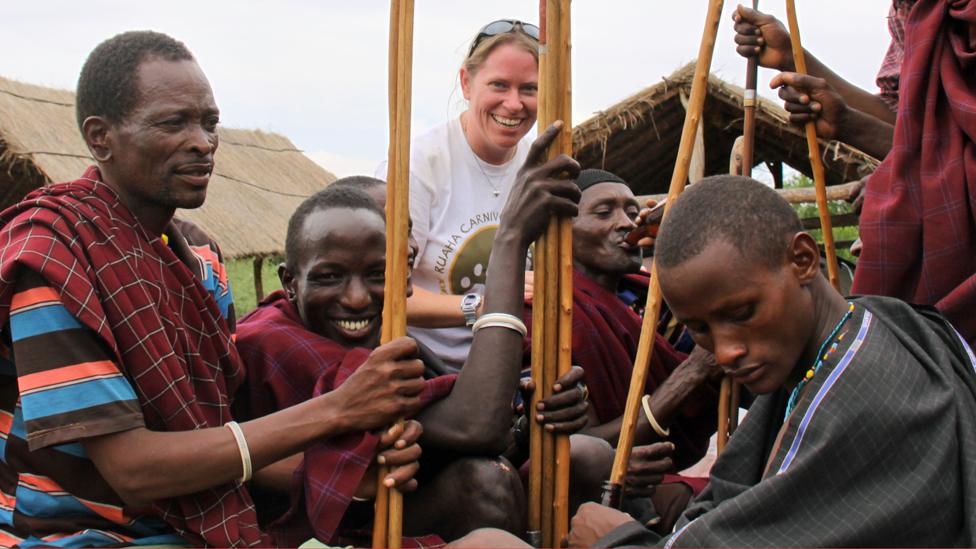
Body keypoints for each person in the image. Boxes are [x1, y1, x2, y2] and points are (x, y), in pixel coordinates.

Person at [0, 31, 429, 547]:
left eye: (209, 123)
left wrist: (343, 475)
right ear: (100, 137)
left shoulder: (203, 262)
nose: (203, 142)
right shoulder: (53, 259)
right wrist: (338, 409)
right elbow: (132, 471)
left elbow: (209, 436)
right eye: (173, 122)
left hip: (194, 518)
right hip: (76, 533)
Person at [565, 175, 976, 547]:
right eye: (701, 330)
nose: (724, 352)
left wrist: (616, 542)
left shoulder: (857, 393)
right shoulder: (849, 333)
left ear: (802, 260)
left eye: (742, 314)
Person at [236, 126, 589, 544]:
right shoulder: (272, 340)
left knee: (569, 460)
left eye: (381, 269)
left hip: (380, 511)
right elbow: (475, 426)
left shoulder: (387, 337)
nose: (354, 298)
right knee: (483, 485)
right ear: (291, 281)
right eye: (331, 275)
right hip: (307, 534)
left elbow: (477, 433)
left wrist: (532, 416)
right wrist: (509, 240)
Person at [523, 169, 719, 532]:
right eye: (603, 212)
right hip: (588, 498)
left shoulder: (656, 298)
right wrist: (690, 375)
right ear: (562, 230)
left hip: (665, 474)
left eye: (631, 212)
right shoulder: (545, 313)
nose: (625, 223)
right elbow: (581, 448)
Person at [378, 19, 540, 370]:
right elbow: (383, 291)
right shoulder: (418, 164)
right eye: (499, 85)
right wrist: (485, 306)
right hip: (429, 368)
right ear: (466, 83)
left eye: (529, 89)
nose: (514, 104)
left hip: (517, 364)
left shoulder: (541, 166)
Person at [732, 3, 903, 160]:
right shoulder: (904, 10)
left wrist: (848, 124)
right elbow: (905, 120)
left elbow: (927, 148)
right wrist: (789, 56)